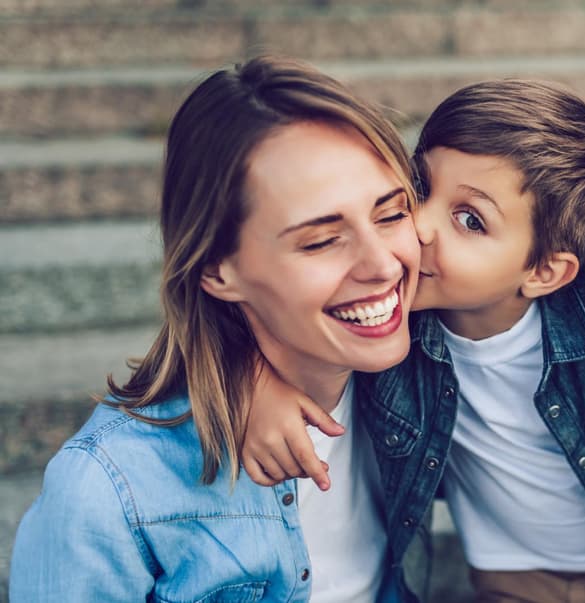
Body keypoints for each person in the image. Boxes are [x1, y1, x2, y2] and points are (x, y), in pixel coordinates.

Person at [244, 79, 585, 602]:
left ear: (545, 271)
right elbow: (275, 302)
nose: (422, 226)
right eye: (422, 188)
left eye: (470, 220)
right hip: (508, 583)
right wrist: (254, 379)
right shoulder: (387, 332)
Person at [10, 56, 425, 602]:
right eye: (322, 240)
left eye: (391, 214)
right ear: (216, 269)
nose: (384, 266)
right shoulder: (107, 488)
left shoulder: (425, 375)